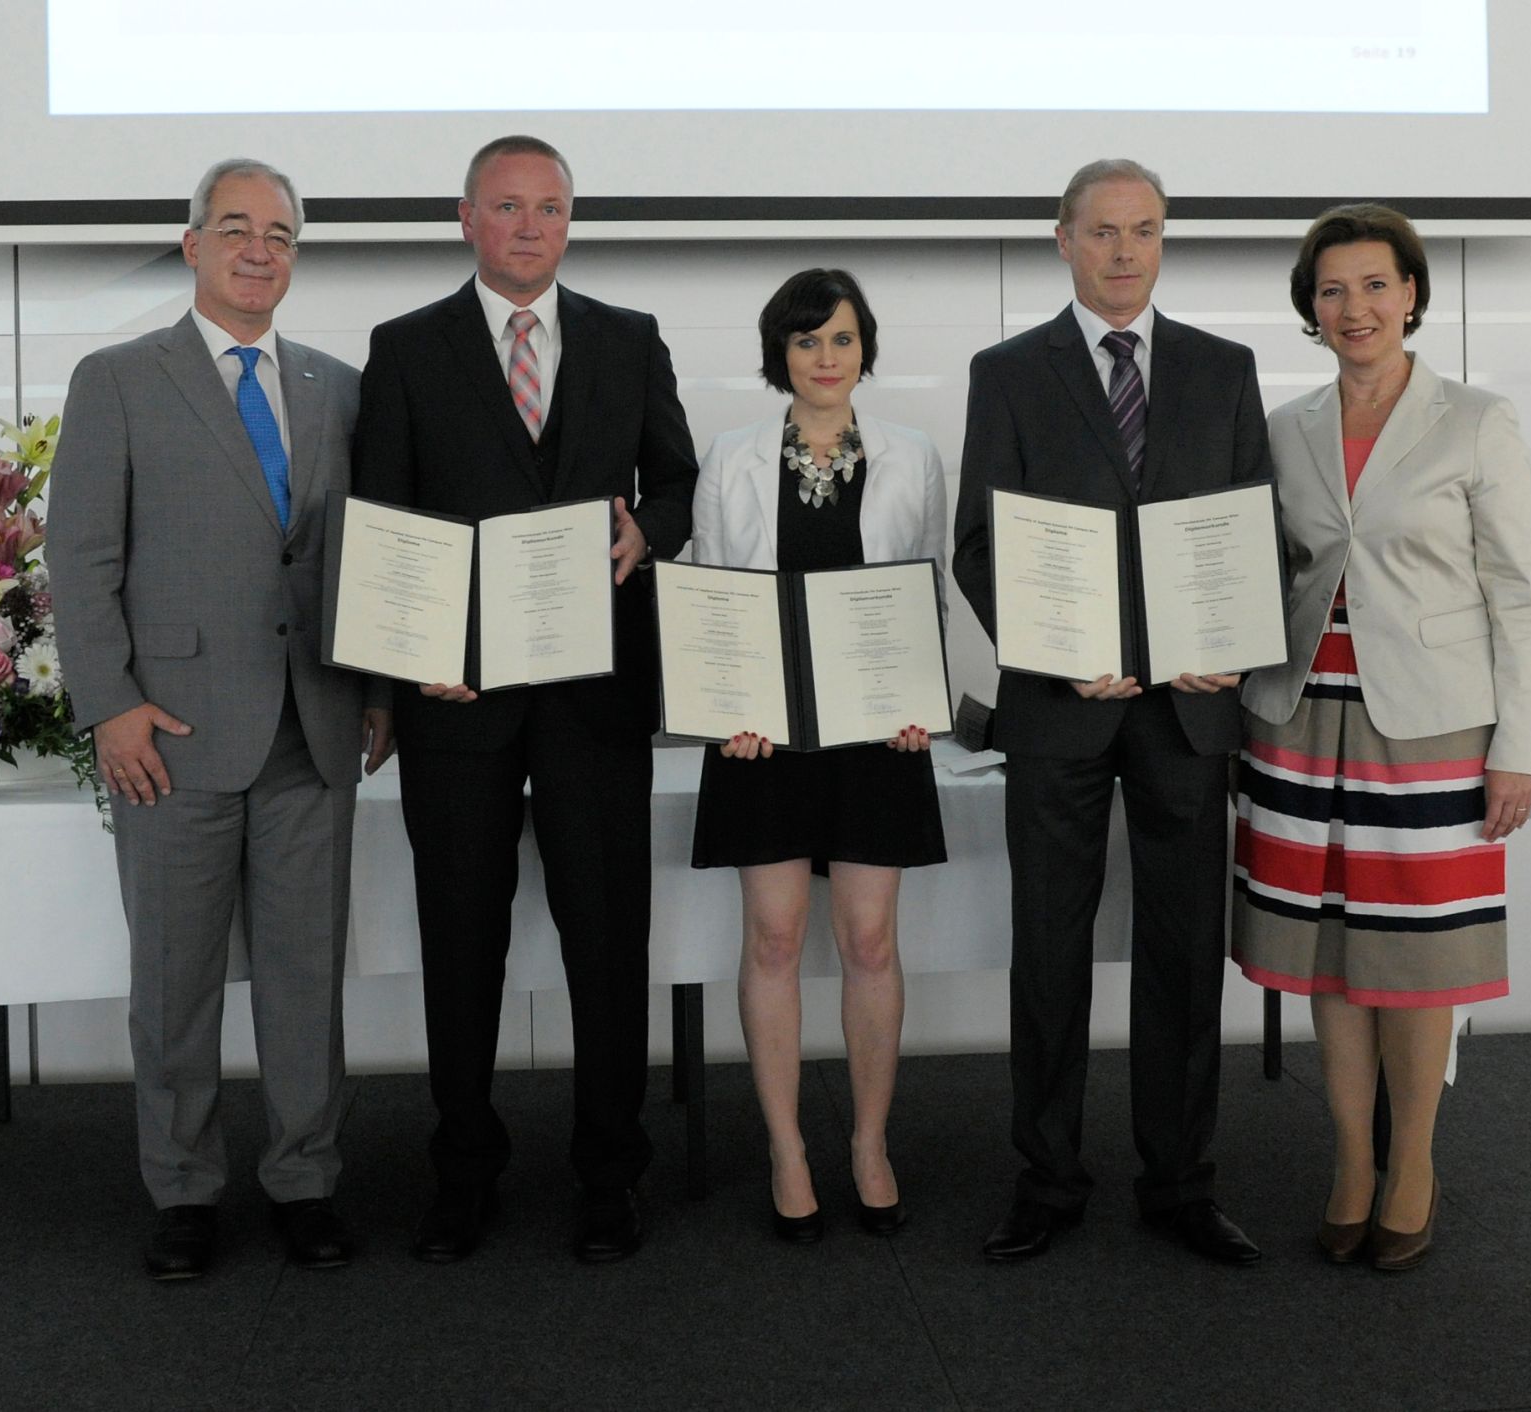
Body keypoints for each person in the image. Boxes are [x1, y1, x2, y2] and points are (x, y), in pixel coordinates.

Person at [352, 135, 699, 1264]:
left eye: (548, 207)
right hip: (457, 699)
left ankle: (610, 1172)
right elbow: (382, 518)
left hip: (594, 692)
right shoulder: (403, 350)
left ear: (568, 219)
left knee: (607, 940)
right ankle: (463, 1171)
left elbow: (677, 478)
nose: (530, 225)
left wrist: (648, 529)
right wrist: (407, 661)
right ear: (465, 218)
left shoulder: (627, 338)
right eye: (507, 206)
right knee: (462, 941)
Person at [47, 158, 390, 1280]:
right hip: (172, 737)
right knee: (175, 983)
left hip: (315, 731)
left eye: (281, 234)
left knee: (304, 980)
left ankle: (304, 1178)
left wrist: (380, 692)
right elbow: (80, 559)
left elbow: (367, 563)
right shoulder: (119, 377)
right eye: (236, 229)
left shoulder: (339, 386)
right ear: (191, 245)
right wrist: (112, 705)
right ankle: (184, 1189)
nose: (259, 249)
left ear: (296, 255)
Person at [953, 158, 1271, 1265]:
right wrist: (1055, 646)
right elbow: (980, 546)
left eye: (1142, 230)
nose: (1123, 250)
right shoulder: (1006, 371)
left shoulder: (1222, 369)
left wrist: (1223, 638)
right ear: (1061, 239)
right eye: (1101, 231)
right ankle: (1045, 1176)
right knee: (1047, 946)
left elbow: (1250, 533)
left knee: (1183, 950)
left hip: (1186, 713)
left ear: (1162, 237)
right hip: (1058, 707)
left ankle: (1179, 1179)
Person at [1236, 204, 1531, 1271]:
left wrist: (1518, 743)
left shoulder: (1474, 419)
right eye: (1330, 290)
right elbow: (1256, 575)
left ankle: (1410, 1157)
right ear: (1307, 309)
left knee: (1415, 955)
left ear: (1410, 292)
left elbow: (1514, 591)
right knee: (1326, 951)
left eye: (1373, 285)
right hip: (1295, 717)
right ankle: (1349, 1158)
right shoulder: (1282, 427)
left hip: (1430, 727)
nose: (1353, 307)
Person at [689, 269, 948, 1242]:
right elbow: (715, 590)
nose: (825, 359)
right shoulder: (732, 456)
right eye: (805, 342)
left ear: (862, 347)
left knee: (871, 939)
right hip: (763, 732)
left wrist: (919, 699)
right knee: (773, 937)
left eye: (840, 339)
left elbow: (922, 589)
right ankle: (787, 1145)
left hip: (877, 729)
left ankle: (868, 1141)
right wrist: (728, 706)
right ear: (779, 354)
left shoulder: (914, 455)